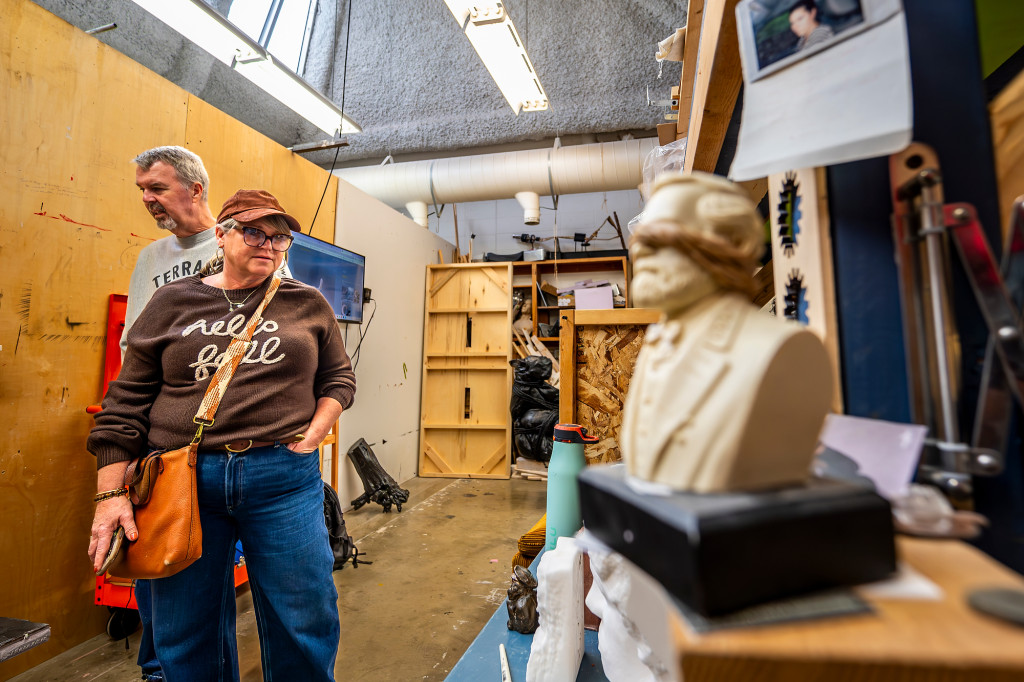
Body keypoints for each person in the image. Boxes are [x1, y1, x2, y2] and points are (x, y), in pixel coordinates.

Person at [88, 189, 356, 681]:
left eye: (281, 237)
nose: (270, 245)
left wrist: (319, 427)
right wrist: (110, 493)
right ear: (221, 234)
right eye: (254, 231)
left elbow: (339, 377)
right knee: (184, 631)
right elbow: (124, 403)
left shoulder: (307, 303)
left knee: (305, 617)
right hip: (183, 483)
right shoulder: (173, 301)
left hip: (284, 480)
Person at [620, 172, 831, 493]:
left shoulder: (784, 350)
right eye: (639, 239)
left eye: (662, 237)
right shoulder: (656, 342)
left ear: (733, 243)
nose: (641, 252)